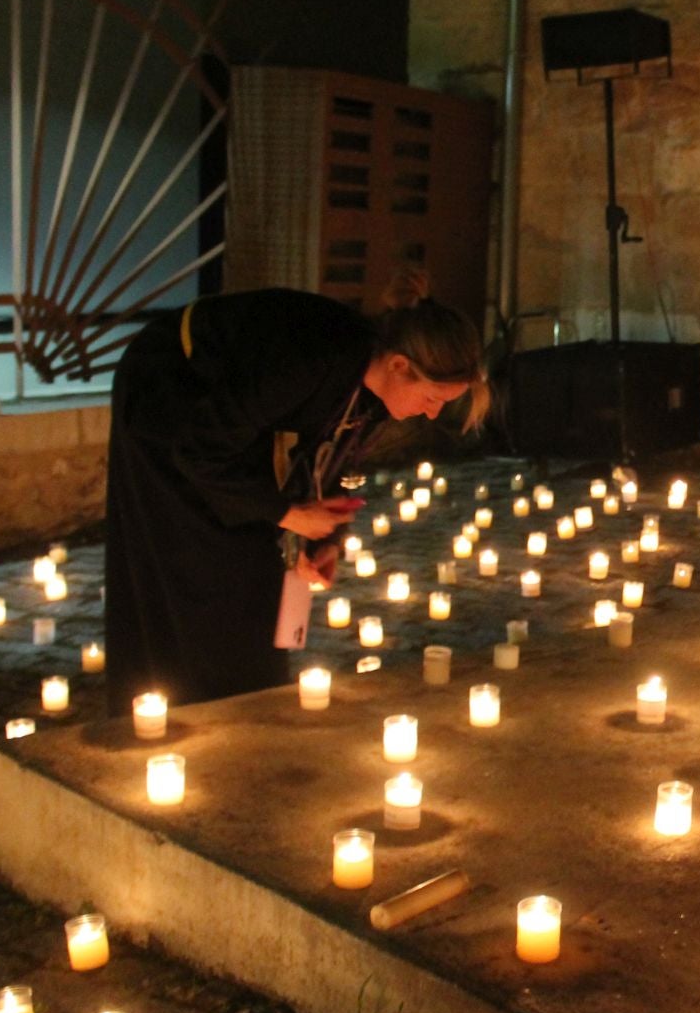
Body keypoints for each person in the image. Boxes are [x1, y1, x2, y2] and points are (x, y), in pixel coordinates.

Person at [103, 278, 487, 714]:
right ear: (400, 365)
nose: (433, 413)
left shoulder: (371, 382)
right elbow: (199, 452)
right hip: (170, 388)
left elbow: (331, 458)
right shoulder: (311, 358)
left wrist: (323, 541)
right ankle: (183, 696)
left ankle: (242, 693)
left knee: (255, 555)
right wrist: (287, 513)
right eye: (433, 398)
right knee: (194, 551)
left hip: (225, 418)